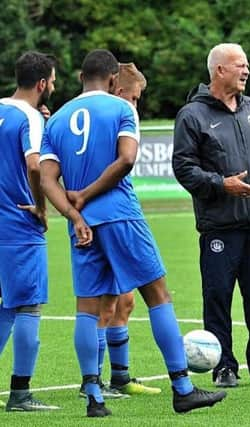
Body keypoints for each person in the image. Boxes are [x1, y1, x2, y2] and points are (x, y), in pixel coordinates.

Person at [39, 49, 226, 417]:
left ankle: (94, 396)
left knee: (87, 310)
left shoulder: (57, 120)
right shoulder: (122, 109)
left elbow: (47, 179)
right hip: (120, 214)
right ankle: (182, 388)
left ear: (80, 77)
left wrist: (75, 215)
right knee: (158, 295)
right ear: (112, 80)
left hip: (82, 226)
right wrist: (89, 194)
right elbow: (126, 159)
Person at [172, 43, 250, 388]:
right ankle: (224, 366)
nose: (247, 70)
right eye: (240, 65)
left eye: (247, 64)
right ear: (219, 70)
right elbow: (183, 167)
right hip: (220, 226)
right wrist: (221, 185)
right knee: (218, 297)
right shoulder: (192, 115)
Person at [78, 63, 161, 399]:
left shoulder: (100, 115)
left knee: (123, 300)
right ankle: (92, 382)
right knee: (105, 302)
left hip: (104, 212)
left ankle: (119, 378)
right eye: (135, 97)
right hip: (106, 215)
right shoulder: (116, 115)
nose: (136, 105)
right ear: (120, 91)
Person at [0, 51, 60, 411]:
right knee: (28, 306)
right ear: (41, 84)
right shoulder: (30, 117)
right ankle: (20, 393)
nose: (53, 86)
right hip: (18, 225)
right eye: (52, 81)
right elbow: (35, 167)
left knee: (6, 307)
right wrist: (41, 206)